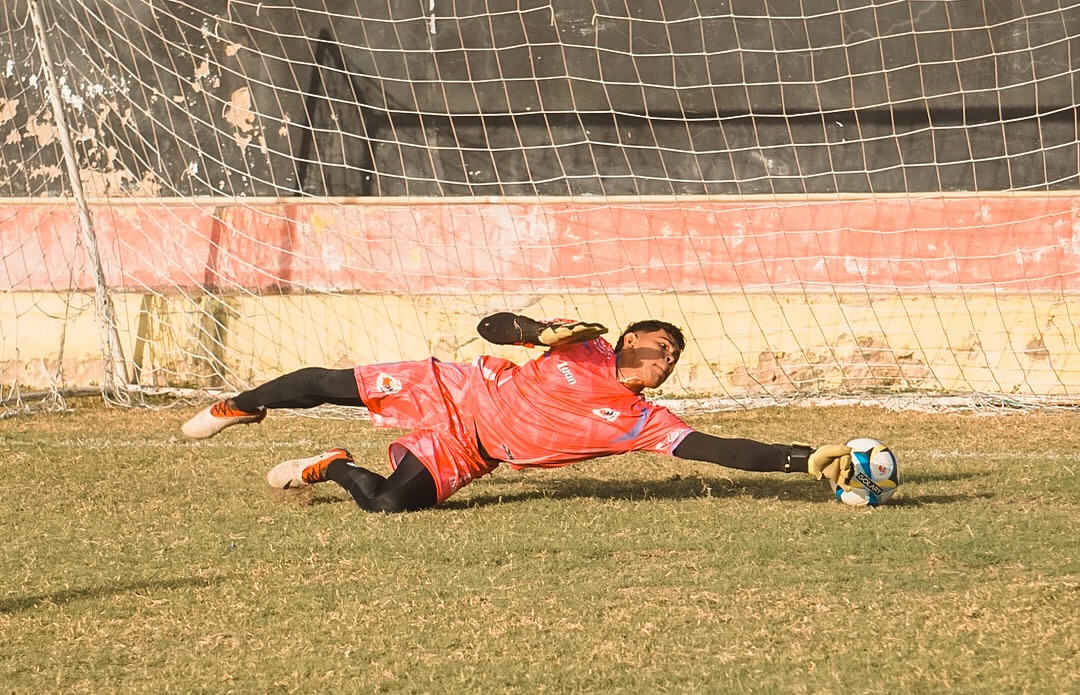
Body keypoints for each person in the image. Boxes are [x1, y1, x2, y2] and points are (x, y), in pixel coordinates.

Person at [182, 312, 856, 512]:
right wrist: (538, 331)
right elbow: (490, 325)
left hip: (473, 450)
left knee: (387, 505)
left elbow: (720, 449)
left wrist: (805, 460)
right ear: (629, 339)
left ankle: (328, 466)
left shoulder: (643, 420)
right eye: (661, 346)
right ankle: (237, 405)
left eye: (674, 356)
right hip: (457, 390)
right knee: (328, 382)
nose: (667, 358)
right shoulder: (581, 344)